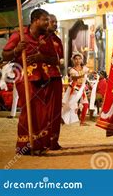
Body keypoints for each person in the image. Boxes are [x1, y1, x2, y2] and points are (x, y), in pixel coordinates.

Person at [1, 9, 61, 154]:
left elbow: (55, 60)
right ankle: (23, 146)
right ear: (35, 20)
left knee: (41, 112)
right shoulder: (19, 35)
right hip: (24, 78)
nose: (48, 23)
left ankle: (38, 145)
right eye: (45, 20)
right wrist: (16, 51)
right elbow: (5, 55)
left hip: (43, 79)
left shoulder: (46, 38)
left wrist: (42, 58)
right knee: (30, 109)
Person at [46, 14, 64, 150]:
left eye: (56, 22)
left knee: (55, 110)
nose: (55, 24)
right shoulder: (39, 39)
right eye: (53, 22)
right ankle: (42, 140)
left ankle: (53, 141)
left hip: (56, 76)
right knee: (43, 110)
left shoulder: (57, 40)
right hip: (42, 77)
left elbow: (61, 58)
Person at [62, 52, 90, 126]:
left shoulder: (84, 68)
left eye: (79, 59)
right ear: (73, 60)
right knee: (69, 104)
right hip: (74, 88)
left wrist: (91, 73)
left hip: (82, 88)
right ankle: (62, 119)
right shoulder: (72, 70)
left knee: (86, 104)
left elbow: (89, 72)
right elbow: (74, 78)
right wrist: (83, 75)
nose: (78, 61)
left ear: (81, 60)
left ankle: (82, 122)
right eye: (76, 59)